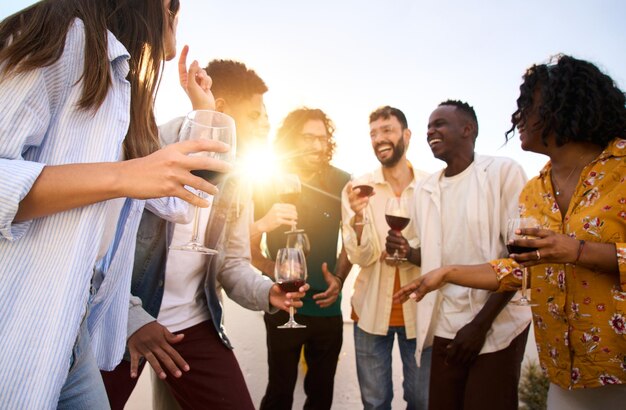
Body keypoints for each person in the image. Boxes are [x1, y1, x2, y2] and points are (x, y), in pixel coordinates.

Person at [0, 1, 231, 408]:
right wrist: (123, 176)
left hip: (73, 328)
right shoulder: (58, 34)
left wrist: (204, 113)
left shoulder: (120, 83)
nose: (177, 16)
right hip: (18, 319)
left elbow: (176, 202)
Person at [394, 55, 626, 408]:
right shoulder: (537, 190)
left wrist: (578, 250)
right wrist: (444, 273)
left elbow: (561, 253)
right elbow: (520, 268)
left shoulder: (619, 170)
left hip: (617, 365)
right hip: (564, 372)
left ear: (563, 105)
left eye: (528, 106)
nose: (517, 117)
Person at [100, 59, 307, 410]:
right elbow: (99, 247)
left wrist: (268, 292)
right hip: (121, 320)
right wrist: (133, 317)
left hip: (194, 325)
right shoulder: (151, 144)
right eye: (257, 116)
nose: (266, 126)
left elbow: (233, 265)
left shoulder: (240, 179)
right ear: (221, 110)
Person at [385, 100, 532, 409]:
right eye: (428, 127)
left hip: (498, 325)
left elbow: (521, 260)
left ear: (468, 129)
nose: (430, 132)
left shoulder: (503, 172)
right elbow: (436, 256)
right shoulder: (426, 189)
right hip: (445, 326)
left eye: (439, 124)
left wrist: (479, 327)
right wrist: (410, 252)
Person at [252, 107, 352, 410]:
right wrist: (275, 272)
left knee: (321, 399)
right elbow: (250, 246)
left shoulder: (342, 181)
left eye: (321, 139)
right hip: (284, 306)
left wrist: (340, 277)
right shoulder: (267, 182)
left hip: (327, 307)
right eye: (307, 138)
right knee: (279, 394)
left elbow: (352, 239)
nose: (316, 145)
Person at [341, 106, 429, 409]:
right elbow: (359, 256)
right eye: (373, 133)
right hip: (369, 312)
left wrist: (411, 251)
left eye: (387, 130)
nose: (379, 138)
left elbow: (443, 250)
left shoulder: (431, 188)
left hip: (420, 311)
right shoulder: (357, 189)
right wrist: (358, 218)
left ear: (406, 135)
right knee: (375, 402)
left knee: (422, 400)